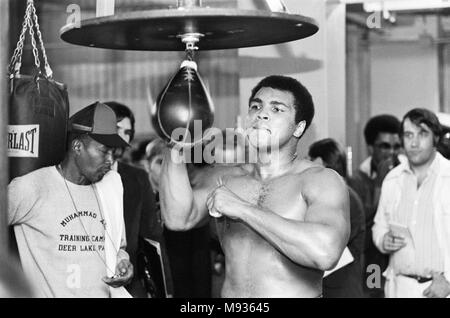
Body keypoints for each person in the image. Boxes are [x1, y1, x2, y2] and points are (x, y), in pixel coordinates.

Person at [160, 75, 350, 298]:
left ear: (298, 128)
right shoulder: (226, 177)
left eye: (277, 109)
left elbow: (325, 252)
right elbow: (178, 218)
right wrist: (175, 140)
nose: (262, 114)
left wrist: (243, 209)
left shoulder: (320, 180)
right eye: (255, 106)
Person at [7, 102, 133, 297]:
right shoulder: (32, 188)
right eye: (103, 151)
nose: (110, 160)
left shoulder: (110, 188)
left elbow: (117, 246)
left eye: (113, 152)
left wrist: (122, 262)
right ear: (77, 146)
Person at [372, 108, 450, 298]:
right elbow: (379, 225)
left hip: (440, 288)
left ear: (436, 139)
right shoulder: (392, 179)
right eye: (408, 135)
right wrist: (384, 240)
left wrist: (449, 280)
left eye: (422, 134)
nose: (414, 143)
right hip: (399, 287)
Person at [104, 101, 170, 297]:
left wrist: (166, 289)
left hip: (130, 282)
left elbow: (153, 236)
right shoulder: (82, 175)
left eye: (128, 133)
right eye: (117, 129)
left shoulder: (137, 178)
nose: (123, 138)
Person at [146, 138, 212, 298]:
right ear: (146, 165)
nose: (165, 168)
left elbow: (200, 263)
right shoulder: (139, 199)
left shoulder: (191, 204)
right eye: (160, 162)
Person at [348, 114, 402, 297]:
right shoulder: (356, 181)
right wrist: (380, 184)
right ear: (371, 148)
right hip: (373, 262)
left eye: (396, 146)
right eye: (385, 146)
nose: (391, 153)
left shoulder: (407, 174)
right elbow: (362, 224)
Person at [308, 138, 365, 298]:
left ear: (323, 162)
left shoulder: (344, 197)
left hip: (341, 288)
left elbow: (324, 244)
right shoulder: (335, 195)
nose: (307, 165)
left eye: (311, 159)